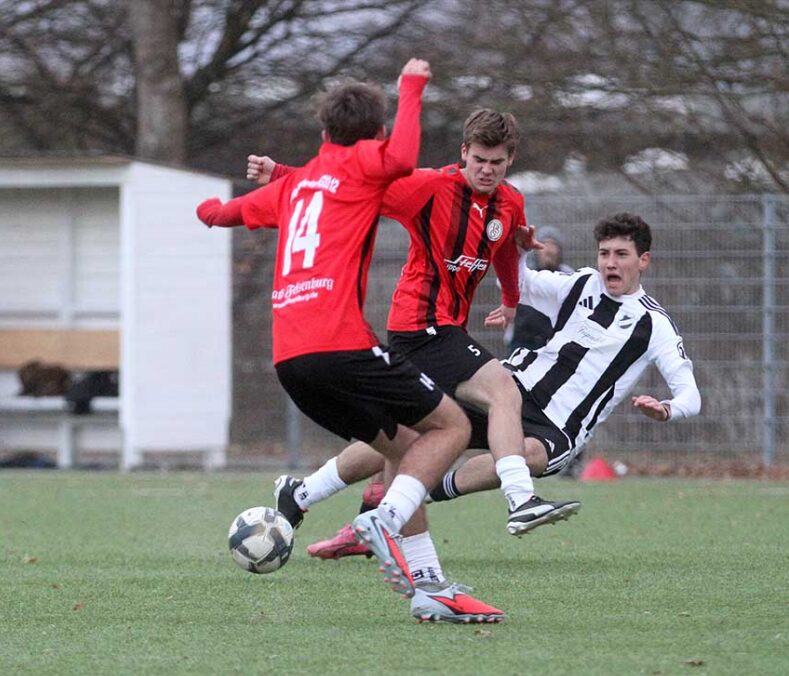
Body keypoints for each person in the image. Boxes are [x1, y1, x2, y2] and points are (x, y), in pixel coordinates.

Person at [196, 58, 474, 605]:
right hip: (341, 344)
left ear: (323, 132)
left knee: (408, 446)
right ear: (375, 133)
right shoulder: (365, 164)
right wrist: (412, 86)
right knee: (453, 426)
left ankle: (427, 587)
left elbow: (223, 214)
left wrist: (207, 208)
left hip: (291, 363)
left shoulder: (294, 184)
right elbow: (403, 156)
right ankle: (386, 519)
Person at [299, 213, 701, 585]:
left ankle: (391, 507)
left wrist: (667, 409)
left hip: (557, 428)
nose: (610, 263)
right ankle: (302, 494)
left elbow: (690, 395)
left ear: (643, 261)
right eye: (604, 253)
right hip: (513, 388)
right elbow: (521, 285)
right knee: (412, 425)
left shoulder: (654, 324)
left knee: (521, 455)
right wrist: (514, 248)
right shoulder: (581, 284)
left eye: (621, 255)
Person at [247, 109, 578, 540]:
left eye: (496, 162)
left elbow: (504, 251)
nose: (486, 169)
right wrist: (281, 174)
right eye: (478, 159)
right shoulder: (430, 187)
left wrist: (511, 300)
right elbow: (348, 188)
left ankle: (303, 493)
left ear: (510, 160)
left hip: (440, 331)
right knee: (502, 389)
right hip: (420, 326)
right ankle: (521, 500)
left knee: (403, 437)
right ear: (464, 152)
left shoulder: (510, 202)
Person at [506, 225, 575, 354]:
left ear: (559, 250)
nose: (548, 250)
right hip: (522, 342)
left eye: (552, 245)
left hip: (554, 345)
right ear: (536, 249)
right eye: (543, 244)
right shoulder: (526, 275)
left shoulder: (570, 278)